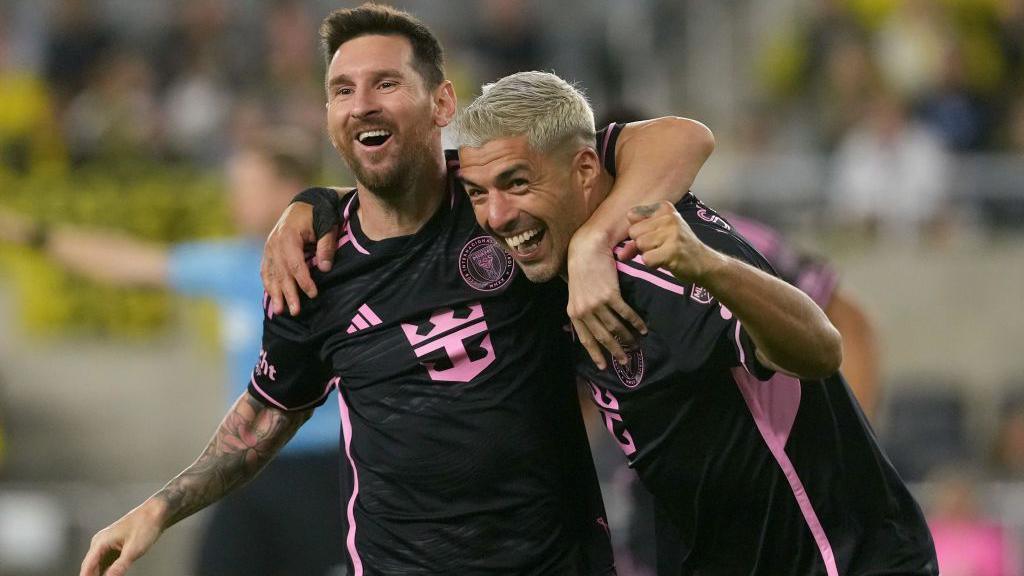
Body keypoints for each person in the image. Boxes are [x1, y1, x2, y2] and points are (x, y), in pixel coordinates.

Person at [80, 5, 716, 576]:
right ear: (329, 118)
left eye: (386, 83)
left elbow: (682, 137)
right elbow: (267, 412)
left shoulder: (503, 198)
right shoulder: (315, 267)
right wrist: (158, 510)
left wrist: (590, 243)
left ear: (443, 105)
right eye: (342, 90)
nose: (362, 103)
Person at [453, 71, 937, 575]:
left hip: (838, 559)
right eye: (476, 193)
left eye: (517, 184)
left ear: (585, 170)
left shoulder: (667, 260)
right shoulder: (547, 261)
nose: (495, 215)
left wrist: (712, 268)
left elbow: (822, 348)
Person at [0, 133, 345, 576]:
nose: (233, 199)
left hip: (328, 470)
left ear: (290, 190)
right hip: (250, 467)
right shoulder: (239, 263)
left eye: (247, 186)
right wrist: (31, 234)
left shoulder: (343, 264)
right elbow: (130, 264)